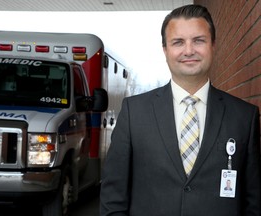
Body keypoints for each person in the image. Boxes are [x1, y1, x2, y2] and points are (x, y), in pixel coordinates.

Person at [100, 4, 261, 216]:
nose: (188, 50)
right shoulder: (134, 113)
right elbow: (112, 199)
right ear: (165, 50)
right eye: (178, 42)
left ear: (213, 45)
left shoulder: (244, 117)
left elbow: (253, 202)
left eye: (198, 40)